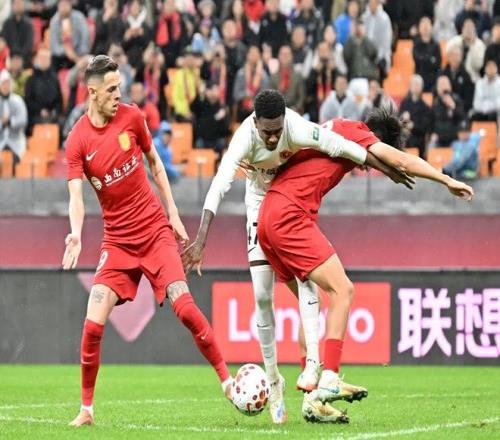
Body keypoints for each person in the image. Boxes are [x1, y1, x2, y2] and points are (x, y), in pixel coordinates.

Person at [181, 89, 411, 424]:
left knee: (308, 281)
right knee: (262, 297)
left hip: (290, 202)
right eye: (267, 131)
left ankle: (315, 367)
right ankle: (274, 381)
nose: (274, 137)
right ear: (255, 123)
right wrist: (201, 239)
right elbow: (219, 183)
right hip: (258, 205)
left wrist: (386, 168)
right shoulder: (244, 138)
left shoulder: (297, 126)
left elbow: (342, 146)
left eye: (278, 130)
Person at [256, 107, 474, 413]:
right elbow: (400, 160)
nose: (367, 167)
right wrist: (444, 179)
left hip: (267, 216)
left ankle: (312, 400)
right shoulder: (356, 131)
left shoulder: (334, 128)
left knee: (310, 305)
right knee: (342, 290)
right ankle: (329, 377)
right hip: (289, 215)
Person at [63, 55, 233, 427]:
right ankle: (86, 410)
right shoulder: (77, 140)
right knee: (92, 324)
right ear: (92, 92)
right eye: (111, 89)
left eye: (119, 87)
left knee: (184, 307)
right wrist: (75, 232)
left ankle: (228, 383)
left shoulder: (132, 117)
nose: (118, 95)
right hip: (117, 241)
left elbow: (155, 162)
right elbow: (76, 196)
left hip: (155, 232)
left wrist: (173, 213)